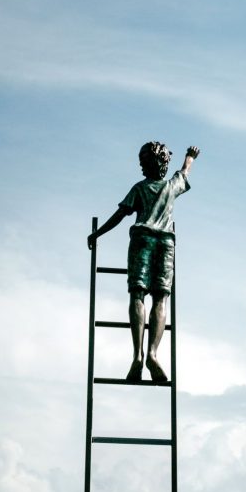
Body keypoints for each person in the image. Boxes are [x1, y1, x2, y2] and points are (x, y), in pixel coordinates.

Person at [87, 142, 200, 382]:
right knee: (161, 298)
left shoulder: (139, 188)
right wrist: (190, 157)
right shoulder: (171, 186)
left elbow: (120, 215)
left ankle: (138, 356)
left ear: (148, 164)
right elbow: (184, 172)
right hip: (165, 242)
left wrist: (98, 234)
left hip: (142, 240)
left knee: (137, 295)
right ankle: (152, 353)